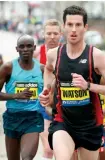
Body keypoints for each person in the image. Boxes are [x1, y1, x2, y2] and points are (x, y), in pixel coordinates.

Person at [39, 5, 105, 160]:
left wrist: (89, 86)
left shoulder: (96, 56)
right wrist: (46, 89)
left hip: (90, 125)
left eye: (78, 25)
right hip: (63, 121)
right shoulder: (53, 54)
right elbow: (49, 70)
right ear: (63, 27)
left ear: (86, 27)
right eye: (70, 25)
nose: (74, 29)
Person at [0, 34, 44, 160]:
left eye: (29, 46)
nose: (25, 49)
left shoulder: (41, 69)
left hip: (33, 118)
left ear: (34, 48)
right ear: (17, 49)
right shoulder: (8, 68)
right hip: (12, 117)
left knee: (27, 157)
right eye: (22, 46)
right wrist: (16, 95)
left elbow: (50, 93)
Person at [33, 19, 62, 160]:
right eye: (49, 33)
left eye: (55, 33)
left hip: (62, 102)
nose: (52, 37)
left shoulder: (66, 52)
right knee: (48, 148)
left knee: (61, 149)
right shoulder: (36, 53)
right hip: (42, 103)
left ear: (60, 35)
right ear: (43, 34)